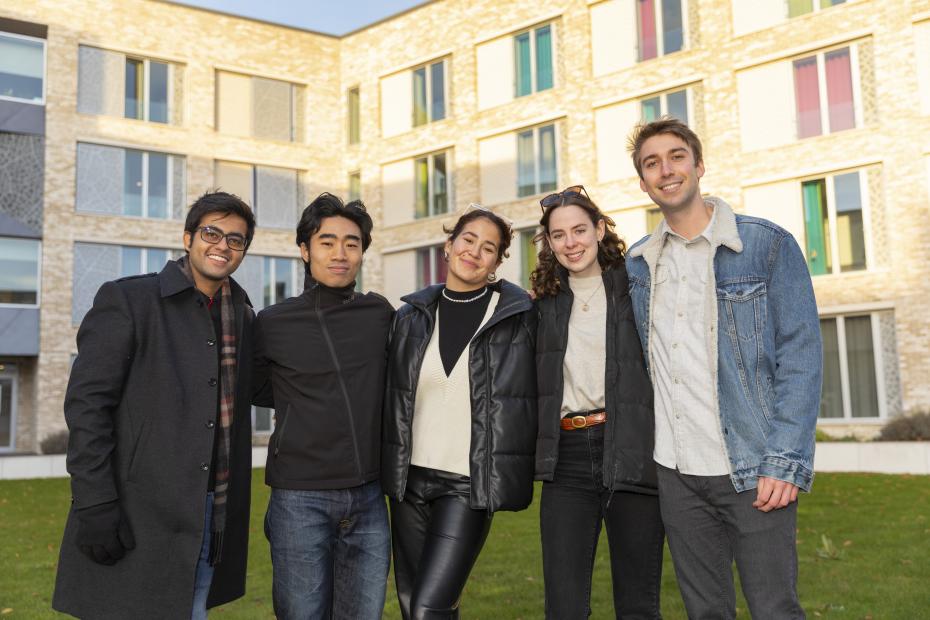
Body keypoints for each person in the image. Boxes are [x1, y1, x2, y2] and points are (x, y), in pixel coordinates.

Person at [625, 117, 822, 619]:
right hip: (677, 472)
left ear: (698, 165)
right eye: (652, 163)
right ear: (643, 182)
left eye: (675, 157)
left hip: (756, 469)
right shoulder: (639, 264)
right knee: (705, 612)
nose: (665, 170)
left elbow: (801, 356)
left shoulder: (765, 245)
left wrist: (786, 459)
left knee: (774, 608)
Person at [53, 192, 257, 619]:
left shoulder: (242, 315)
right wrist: (94, 502)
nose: (222, 245)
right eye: (211, 233)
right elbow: (88, 408)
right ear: (188, 238)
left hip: (209, 510)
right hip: (136, 507)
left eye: (235, 240)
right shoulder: (128, 300)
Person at [381, 205, 537, 619]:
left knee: (430, 607)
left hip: (467, 485)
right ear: (449, 245)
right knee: (413, 604)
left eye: (490, 248)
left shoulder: (517, 317)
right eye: (468, 240)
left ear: (498, 261)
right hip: (408, 482)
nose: (475, 252)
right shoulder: (410, 317)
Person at [253, 193, 394, 619]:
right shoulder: (273, 322)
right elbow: (260, 389)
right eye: (327, 241)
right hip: (300, 498)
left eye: (352, 243)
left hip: (370, 497)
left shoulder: (381, 314)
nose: (340, 253)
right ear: (304, 249)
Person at [532, 185, 665, 619]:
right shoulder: (542, 303)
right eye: (559, 235)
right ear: (549, 243)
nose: (571, 243)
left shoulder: (635, 287)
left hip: (630, 447)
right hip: (567, 459)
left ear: (600, 229)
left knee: (637, 605)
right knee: (564, 607)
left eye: (579, 230)